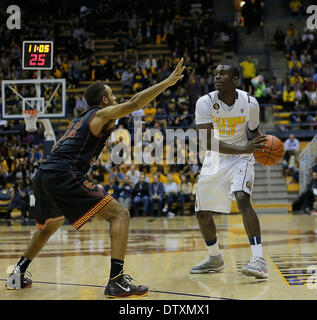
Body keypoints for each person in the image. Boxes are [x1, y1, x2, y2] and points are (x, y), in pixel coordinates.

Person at [5, 58, 185, 298]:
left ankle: (18, 273)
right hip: (62, 173)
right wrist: (167, 82)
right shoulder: (100, 115)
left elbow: (58, 146)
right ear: (103, 101)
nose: (115, 99)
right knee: (120, 214)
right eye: (112, 96)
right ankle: (117, 280)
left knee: (50, 226)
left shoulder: (77, 121)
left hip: (44, 172)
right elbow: (134, 102)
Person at [191, 63, 269, 279]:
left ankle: (259, 260)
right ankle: (215, 258)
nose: (217, 77)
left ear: (235, 79)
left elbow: (254, 130)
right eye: (215, 73)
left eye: (222, 73)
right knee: (202, 213)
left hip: (242, 158)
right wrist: (244, 146)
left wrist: (264, 144)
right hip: (215, 158)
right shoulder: (204, 103)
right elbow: (208, 142)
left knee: (242, 198)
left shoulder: (250, 102)